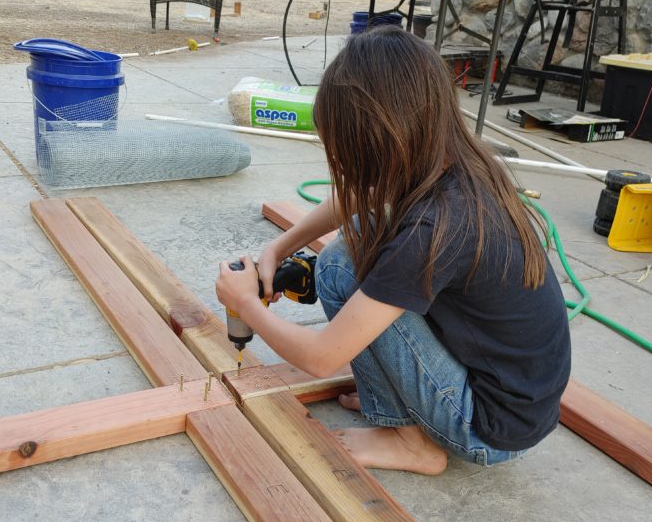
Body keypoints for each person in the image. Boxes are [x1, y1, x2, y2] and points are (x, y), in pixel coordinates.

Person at [216, 26, 571, 476]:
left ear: (379, 145)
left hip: (486, 429)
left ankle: (413, 444)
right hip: (516, 402)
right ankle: (398, 401)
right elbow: (362, 194)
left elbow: (322, 357)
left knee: (340, 270)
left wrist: (244, 301)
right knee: (357, 241)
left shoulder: (435, 229)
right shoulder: (457, 165)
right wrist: (280, 245)